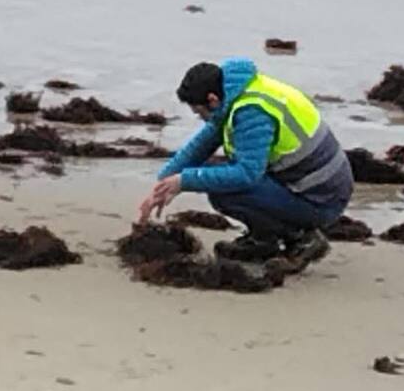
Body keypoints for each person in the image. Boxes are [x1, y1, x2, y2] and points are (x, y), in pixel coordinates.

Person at [139, 57, 354, 268]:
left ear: (212, 100)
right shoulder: (236, 91)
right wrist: (164, 182)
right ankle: (264, 239)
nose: (201, 118)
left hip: (321, 199)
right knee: (214, 177)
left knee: (224, 192)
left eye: (199, 112)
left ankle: (300, 238)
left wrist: (184, 181)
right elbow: (202, 143)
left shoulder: (252, 113)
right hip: (311, 185)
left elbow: (246, 174)